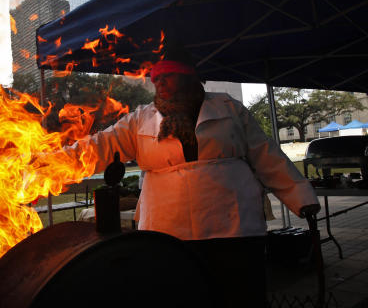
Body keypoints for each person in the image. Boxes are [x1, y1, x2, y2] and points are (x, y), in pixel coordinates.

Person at [64, 43, 320, 307]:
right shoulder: (140, 119)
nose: (161, 82)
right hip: (166, 231)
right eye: (157, 77)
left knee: (239, 296)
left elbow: (266, 154)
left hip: (233, 226)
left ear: (188, 76)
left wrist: (300, 197)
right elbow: (98, 146)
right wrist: (50, 163)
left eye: (169, 75)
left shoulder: (228, 108)